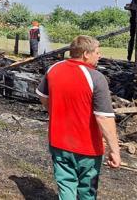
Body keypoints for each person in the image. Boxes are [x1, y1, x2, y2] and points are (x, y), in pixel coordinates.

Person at [36, 35, 121, 199]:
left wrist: (54, 112)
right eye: (97, 52)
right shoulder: (96, 77)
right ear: (86, 54)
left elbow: (42, 95)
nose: (100, 55)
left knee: (65, 187)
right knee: (87, 192)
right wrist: (114, 150)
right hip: (87, 148)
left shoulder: (54, 69)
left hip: (58, 142)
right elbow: (104, 118)